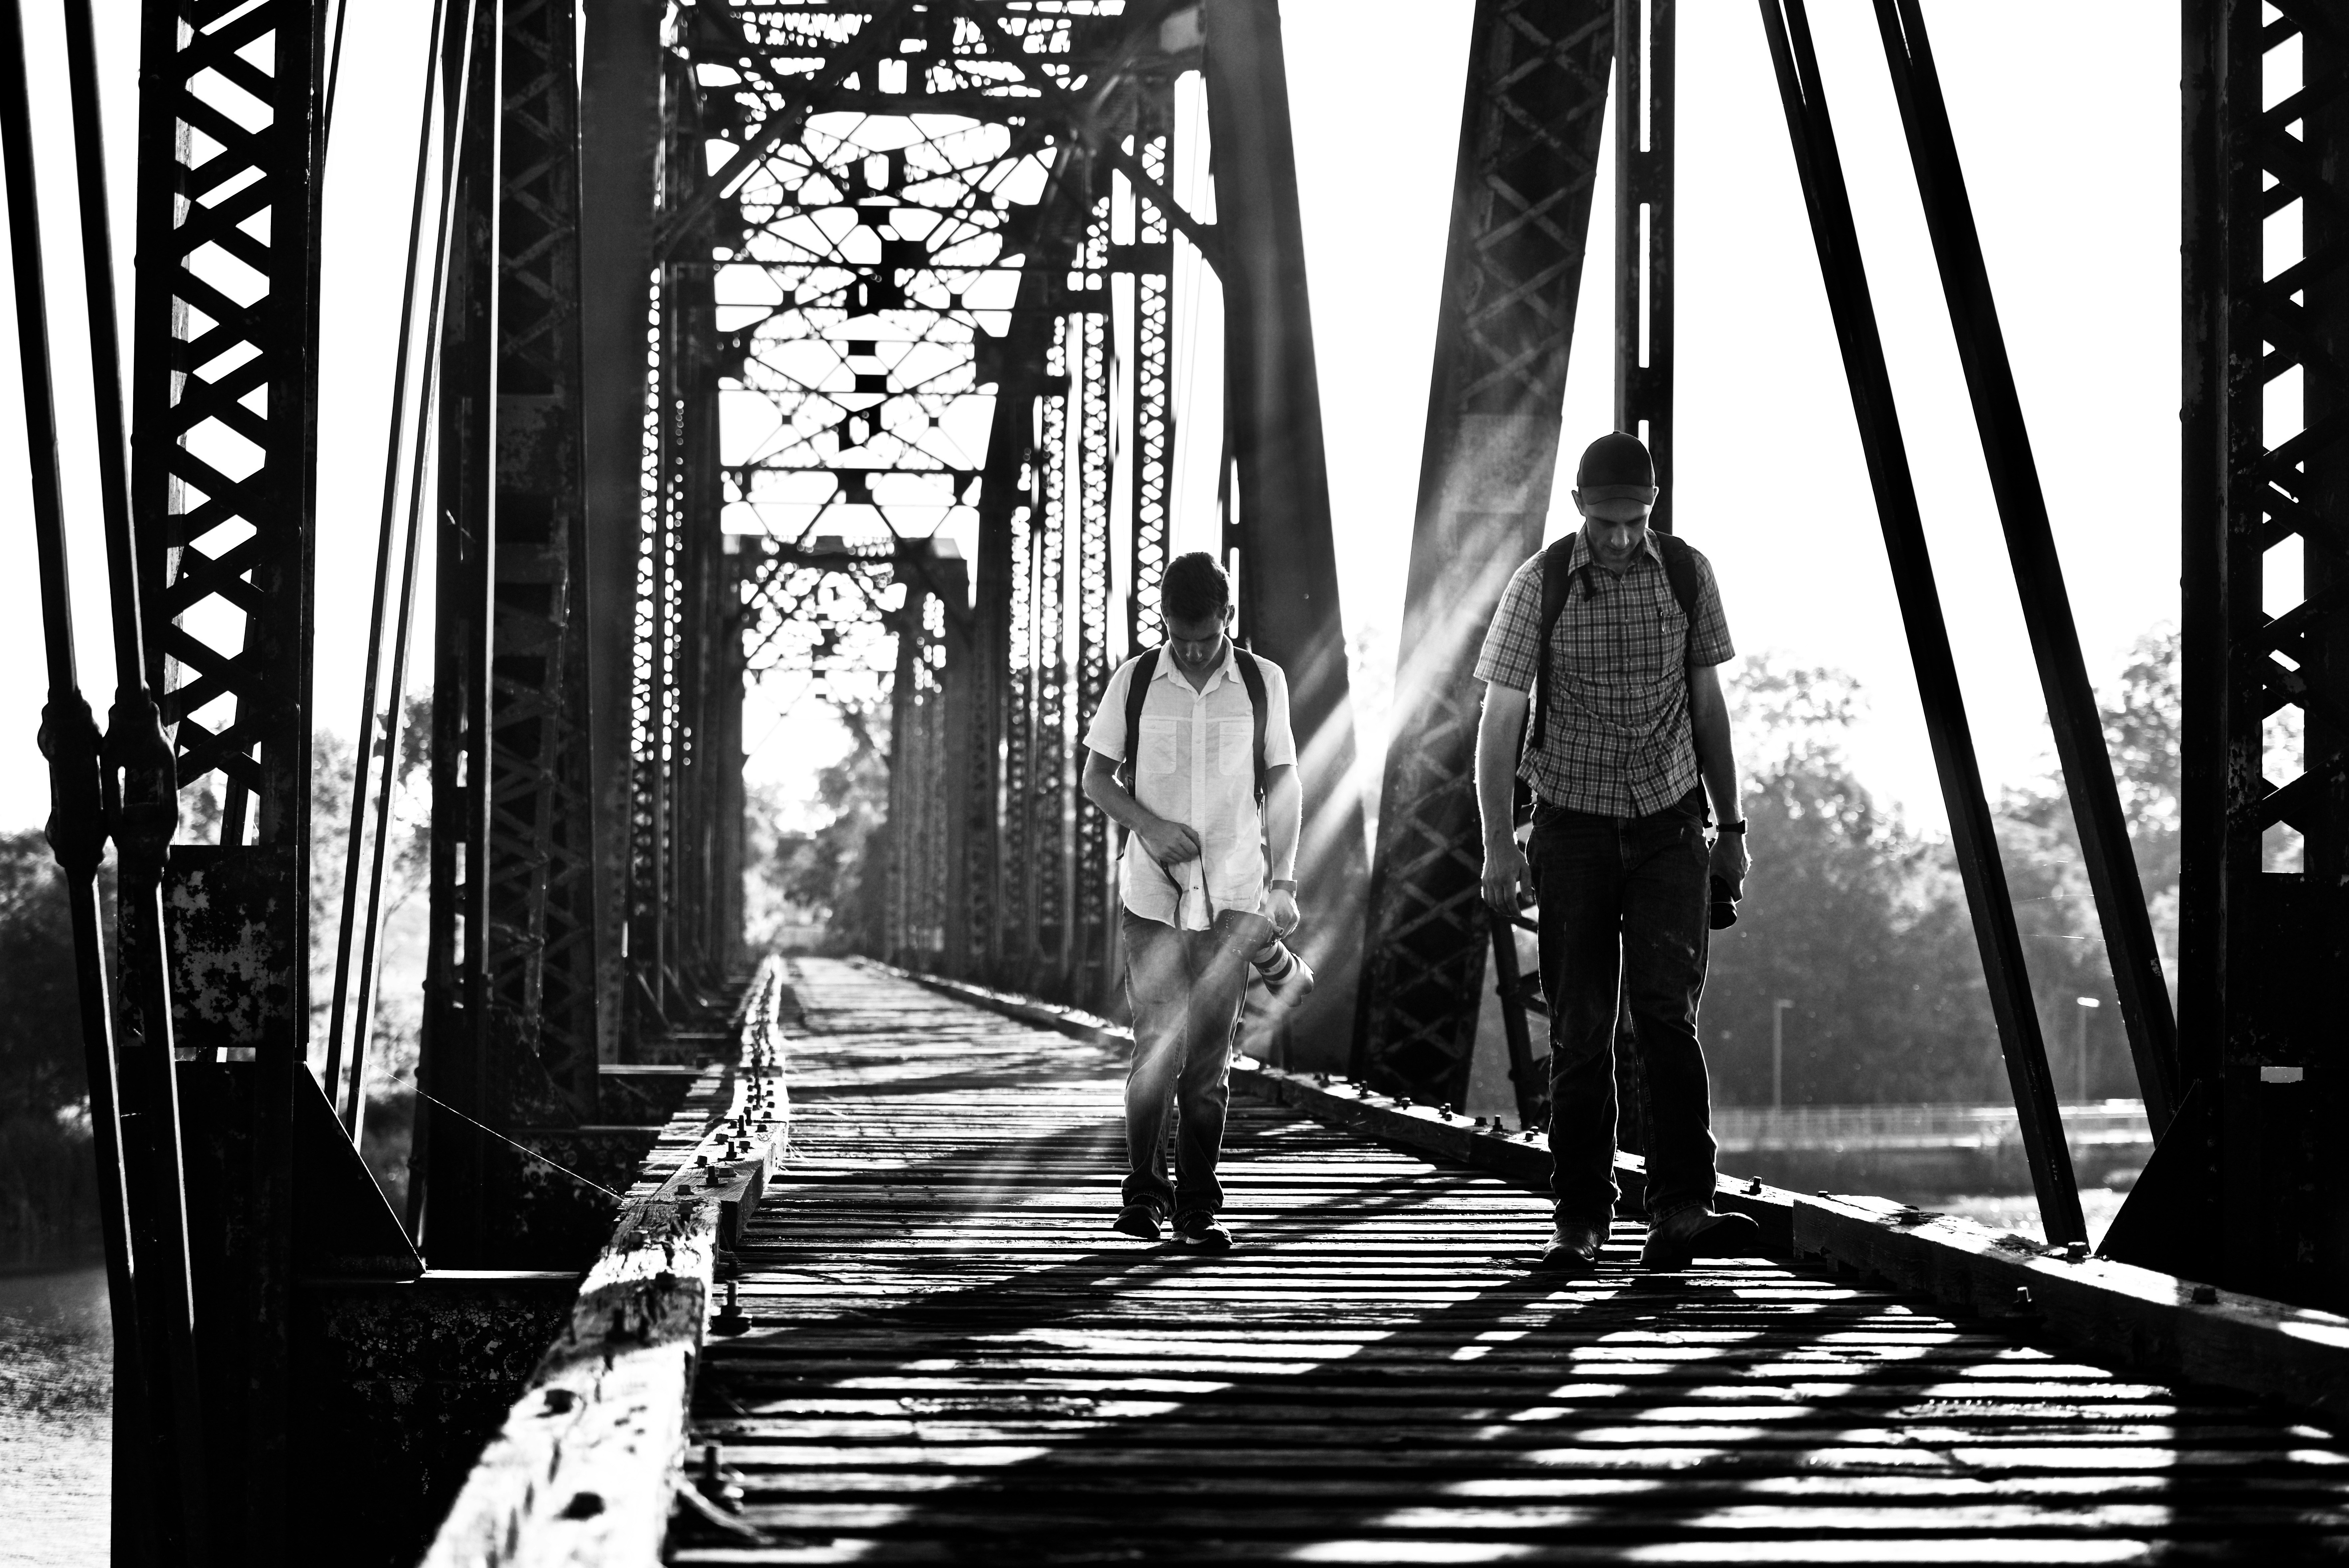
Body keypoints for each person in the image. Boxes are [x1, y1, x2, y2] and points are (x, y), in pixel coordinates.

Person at [1472, 431, 1757, 1275]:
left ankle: (1680, 1209)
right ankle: (1579, 1220)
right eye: (1607, 521)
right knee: (1580, 1027)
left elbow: (1708, 707)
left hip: (1671, 823)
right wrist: (1497, 843)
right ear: (1577, 510)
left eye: (1636, 520)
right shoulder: (1542, 583)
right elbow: (1497, 724)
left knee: (1667, 1016)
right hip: (1574, 828)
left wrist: (1731, 830)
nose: (1623, 536)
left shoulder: (1686, 573)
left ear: (1652, 506)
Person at [1081, 552, 1302, 1250]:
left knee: (1208, 1066)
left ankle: (1199, 1208)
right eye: (1180, 637)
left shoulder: (1263, 684)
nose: (1194, 648)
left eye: (1205, 637)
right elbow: (1095, 776)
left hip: (1235, 897)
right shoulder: (1138, 679)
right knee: (1153, 1048)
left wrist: (1285, 883)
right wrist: (1147, 824)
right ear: (1165, 624)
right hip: (1152, 896)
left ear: (1227, 619)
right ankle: (1143, 1198)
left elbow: (1284, 782)